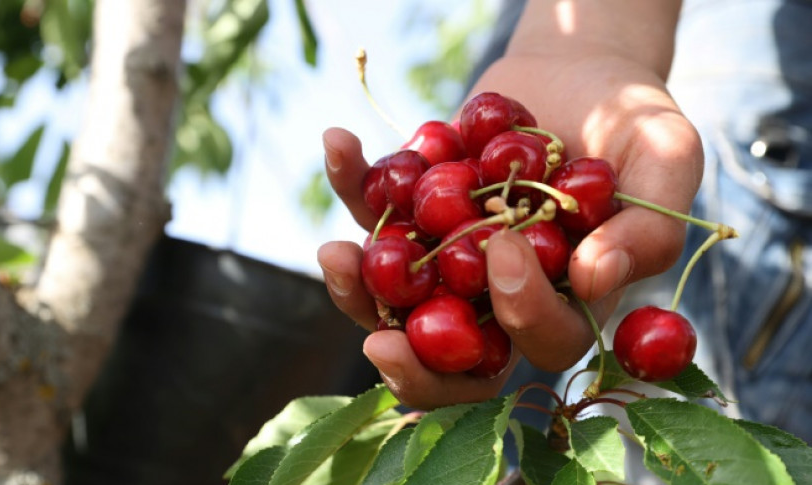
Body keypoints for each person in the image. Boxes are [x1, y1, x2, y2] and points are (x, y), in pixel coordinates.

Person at [318, 0, 812, 444]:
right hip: (538, 27)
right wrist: (569, 41)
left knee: (684, 463)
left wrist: (591, 37)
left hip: (732, 36)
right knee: (483, 430)